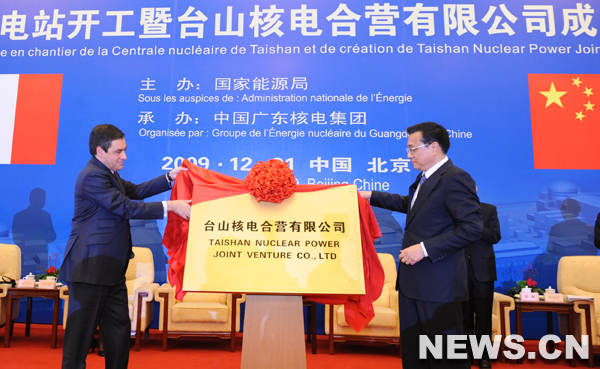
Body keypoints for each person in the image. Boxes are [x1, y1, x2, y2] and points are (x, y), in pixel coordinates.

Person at [59, 124, 191, 369]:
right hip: (89, 269)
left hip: (112, 269)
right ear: (100, 151)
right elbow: (125, 207)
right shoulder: (93, 176)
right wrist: (170, 207)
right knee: (80, 338)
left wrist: (169, 178)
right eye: (118, 151)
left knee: (119, 331)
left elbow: (137, 191)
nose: (124, 156)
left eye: (125, 150)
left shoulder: (110, 174)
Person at [360, 121, 482, 369]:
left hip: (440, 286)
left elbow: (472, 227)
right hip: (414, 284)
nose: (409, 155)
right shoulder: (425, 178)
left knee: (445, 358)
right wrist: (370, 196)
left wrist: (424, 248)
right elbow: (411, 205)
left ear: (434, 147)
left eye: (413, 148)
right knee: (416, 356)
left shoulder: (455, 178)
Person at [463, 197, 501, 369]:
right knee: (464, 317)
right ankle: (465, 355)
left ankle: (483, 356)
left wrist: (476, 226)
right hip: (460, 271)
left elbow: (495, 236)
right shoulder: (454, 209)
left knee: (484, 317)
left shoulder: (489, 209)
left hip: (483, 271)